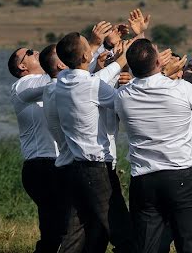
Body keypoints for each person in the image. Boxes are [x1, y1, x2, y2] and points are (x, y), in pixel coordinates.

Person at [115, 38, 192, 253]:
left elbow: (142, 82)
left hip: (143, 179)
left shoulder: (122, 96)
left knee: (148, 244)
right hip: (179, 176)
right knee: (191, 242)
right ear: (158, 63)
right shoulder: (182, 89)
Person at [54, 26, 136, 253]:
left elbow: (96, 75)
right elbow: (121, 103)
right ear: (85, 56)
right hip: (96, 168)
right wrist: (124, 60)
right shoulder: (90, 85)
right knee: (121, 231)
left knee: (74, 233)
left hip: (75, 167)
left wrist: (112, 58)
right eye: (87, 47)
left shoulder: (61, 80)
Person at [7, 46, 63, 253]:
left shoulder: (49, 85)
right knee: (55, 230)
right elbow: (63, 74)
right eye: (30, 52)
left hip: (56, 164)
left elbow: (77, 75)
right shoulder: (22, 86)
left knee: (60, 228)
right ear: (22, 66)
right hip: (42, 166)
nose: (36, 51)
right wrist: (93, 44)